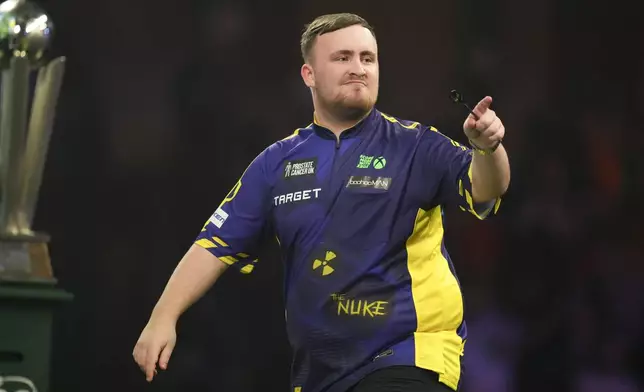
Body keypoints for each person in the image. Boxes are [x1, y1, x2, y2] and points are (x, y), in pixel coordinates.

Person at [133, 12, 510, 392]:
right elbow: (214, 243)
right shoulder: (275, 164)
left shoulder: (417, 145)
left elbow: (487, 187)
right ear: (309, 75)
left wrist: (488, 147)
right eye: (342, 57)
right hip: (320, 375)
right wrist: (162, 316)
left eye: (368, 58)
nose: (358, 68)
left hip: (411, 355)